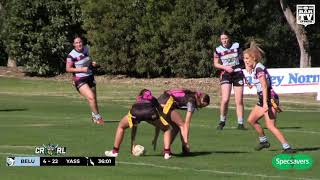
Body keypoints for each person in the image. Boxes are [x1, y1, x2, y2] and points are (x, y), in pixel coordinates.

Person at [104, 89, 188, 160]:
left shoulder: (138, 100)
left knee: (121, 126)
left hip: (135, 113)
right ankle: (167, 153)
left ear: (140, 95)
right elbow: (160, 112)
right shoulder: (153, 99)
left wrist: (132, 143)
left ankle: (115, 152)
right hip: (151, 113)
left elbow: (134, 126)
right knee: (167, 129)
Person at [243, 41, 295, 153]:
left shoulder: (258, 69)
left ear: (254, 58)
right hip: (263, 99)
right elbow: (260, 85)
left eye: (247, 58)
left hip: (269, 99)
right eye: (244, 59)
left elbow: (265, 85)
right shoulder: (256, 68)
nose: (245, 61)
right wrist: (250, 84)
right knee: (251, 120)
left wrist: (266, 104)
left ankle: (287, 147)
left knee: (270, 126)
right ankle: (264, 141)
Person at [153, 89, 210, 154]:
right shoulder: (192, 101)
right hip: (164, 105)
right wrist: (186, 142)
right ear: (201, 99)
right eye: (202, 105)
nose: (201, 107)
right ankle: (183, 147)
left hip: (160, 103)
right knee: (182, 125)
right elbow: (187, 123)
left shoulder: (191, 96)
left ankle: (166, 150)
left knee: (176, 127)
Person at [66, 36, 104, 125]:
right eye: (76, 43)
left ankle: (94, 116)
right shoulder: (71, 55)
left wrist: (94, 63)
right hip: (79, 79)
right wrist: (81, 70)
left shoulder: (88, 49)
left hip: (90, 77)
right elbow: (68, 69)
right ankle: (98, 117)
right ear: (74, 44)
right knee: (91, 97)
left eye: (80, 42)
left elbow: (93, 59)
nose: (79, 44)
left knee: (94, 98)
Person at [213, 30, 246, 130]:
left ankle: (240, 123)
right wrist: (225, 67)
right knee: (225, 99)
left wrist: (246, 67)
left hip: (238, 74)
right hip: (226, 74)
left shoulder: (236, 46)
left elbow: (243, 58)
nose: (224, 41)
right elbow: (216, 63)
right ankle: (222, 121)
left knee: (239, 100)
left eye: (226, 38)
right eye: (222, 39)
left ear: (229, 38)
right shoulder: (218, 49)